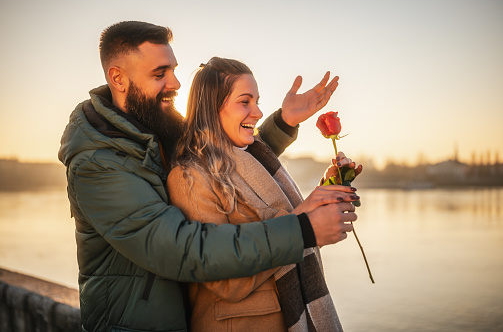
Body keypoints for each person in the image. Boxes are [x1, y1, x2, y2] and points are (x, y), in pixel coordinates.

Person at [58, 20, 359, 332]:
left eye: (174, 70)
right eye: (160, 73)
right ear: (118, 78)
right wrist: (301, 230)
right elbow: (183, 250)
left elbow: (226, 166)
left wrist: (283, 122)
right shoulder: (99, 162)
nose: (175, 82)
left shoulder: (162, 125)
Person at [168, 57, 357, 332]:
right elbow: (224, 281)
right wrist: (303, 226)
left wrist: (325, 198)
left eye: (257, 101)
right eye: (245, 101)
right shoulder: (190, 177)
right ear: (211, 108)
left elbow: (285, 218)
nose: (257, 112)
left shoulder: (253, 159)